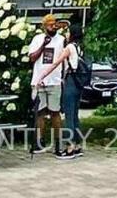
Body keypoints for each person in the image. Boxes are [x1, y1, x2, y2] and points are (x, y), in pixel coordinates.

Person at [26, 14, 66, 154]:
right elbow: (32, 58)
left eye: (54, 24)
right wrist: (44, 45)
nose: (53, 27)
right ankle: (39, 141)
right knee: (40, 112)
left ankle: (58, 142)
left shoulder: (61, 40)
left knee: (55, 112)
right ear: (44, 26)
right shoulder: (37, 39)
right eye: (49, 25)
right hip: (38, 81)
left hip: (54, 80)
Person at [56, 21, 89, 158]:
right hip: (78, 83)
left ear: (72, 34)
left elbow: (57, 62)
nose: (66, 34)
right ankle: (78, 145)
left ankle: (70, 147)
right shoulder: (80, 47)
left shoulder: (69, 47)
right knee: (75, 114)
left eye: (68, 32)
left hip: (70, 81)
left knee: (68, 115)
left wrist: (43, 75)